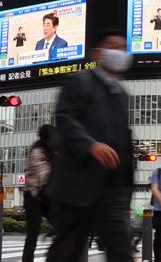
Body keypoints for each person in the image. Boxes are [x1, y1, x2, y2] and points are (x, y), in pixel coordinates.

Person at [46, 29, 134, 262]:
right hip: (76, 185)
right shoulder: (79, 81)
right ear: (97, 53)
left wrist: (127, 190)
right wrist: (91, 145)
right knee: (67, 250)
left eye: (123, 48)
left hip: (111, 189)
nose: (119, 52)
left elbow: (123, 141)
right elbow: (65, 118)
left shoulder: (122, 94)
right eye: (113, 46)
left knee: (121, 248)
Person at [22, 124, 58, 262]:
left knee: (62, 226)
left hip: (45, 197)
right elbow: (45, 177)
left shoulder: (50, 151)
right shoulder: (37, 152)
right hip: (33, 198)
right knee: (32, 234)